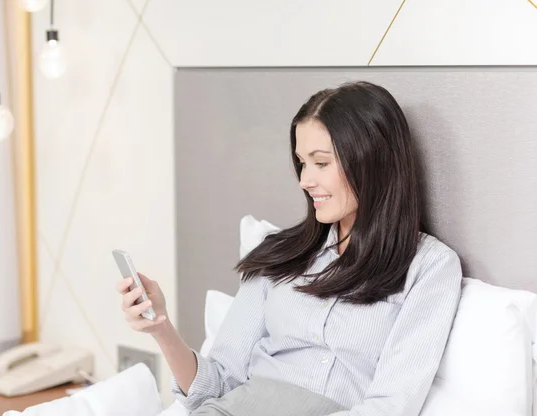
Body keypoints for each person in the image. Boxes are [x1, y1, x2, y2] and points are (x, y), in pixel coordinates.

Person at [116, 81, 463, 416]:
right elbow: (219, 385)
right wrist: (161, 327)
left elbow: (390, 406)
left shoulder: (429, 267)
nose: (304, 180)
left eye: (321, 163)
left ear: (371, 160)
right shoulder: (279, 255)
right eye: (302, 162)